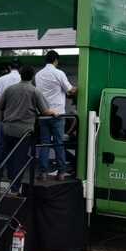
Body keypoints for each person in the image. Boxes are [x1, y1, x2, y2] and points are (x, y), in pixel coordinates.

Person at [0, 65, 55, 193]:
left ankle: (11, 181)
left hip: (7, 128)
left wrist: (2, 121)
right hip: (24, 131)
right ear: (32, 76)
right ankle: (15, 187)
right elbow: (44, 111)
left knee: (10, 157)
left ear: (21, 75)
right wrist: (54, 113)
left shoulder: (9, 89)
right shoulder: (34, 91)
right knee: (20, 159)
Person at [34, 50, 77, 181]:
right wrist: (79, 88)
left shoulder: (38, 75)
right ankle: (62, 173)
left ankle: (43, 173)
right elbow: (70, 90)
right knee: (59, 143)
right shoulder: (59, 73)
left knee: (44, 143)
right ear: (56, 61)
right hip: (58, 115)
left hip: (43, 114)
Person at [0, 59, 21, 175]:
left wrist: (0, 116)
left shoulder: (1, 79)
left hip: (4, 117)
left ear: (9, 67)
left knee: (2, 145)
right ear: (21, 68)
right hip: (19, 118)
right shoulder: (22, 80)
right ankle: (12, 172)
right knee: (15, 146)